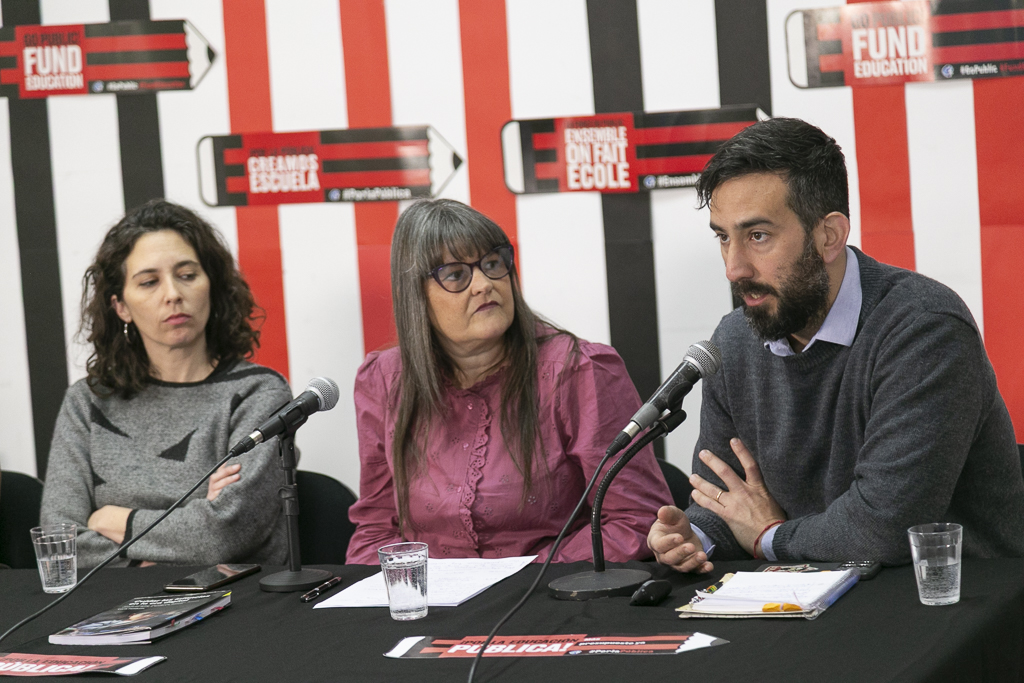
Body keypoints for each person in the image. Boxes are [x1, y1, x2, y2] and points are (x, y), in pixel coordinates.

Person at [648, 118, 1024, 572]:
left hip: (952, 597)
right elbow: (728, 502)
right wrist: (696, 536)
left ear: (829, 236)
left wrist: (769, 537)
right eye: (724, 237)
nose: (734, 268)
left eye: (758, 236)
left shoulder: (924, 329)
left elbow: (883, 528)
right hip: (807, 592)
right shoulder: (735, 340)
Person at [346, 199, 672, 563]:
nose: (484, 284)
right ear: (414, 295)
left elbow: (637, 520)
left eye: (492, 264)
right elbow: (377, 530)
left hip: (550, 587)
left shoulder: (579, 371)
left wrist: (522, 576)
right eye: (456, 275)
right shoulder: (384, 380)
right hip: (432, 595)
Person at [41, 200, 291, 569]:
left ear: (212, 286)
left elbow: (225, 532)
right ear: (121, 307)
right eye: (149, 282)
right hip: (112, 600)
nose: (173, 294)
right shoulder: (88, 401)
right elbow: (60, 543)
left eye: (187, 275)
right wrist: (166, 546)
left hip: (234, 598)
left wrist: (117, 521)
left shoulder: (259, 394)